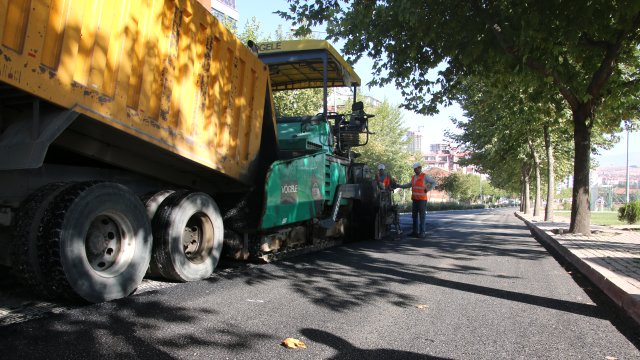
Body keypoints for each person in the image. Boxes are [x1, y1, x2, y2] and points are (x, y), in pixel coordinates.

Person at [398, 162, 437, 238]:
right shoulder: (413, 177)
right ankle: (415, 232)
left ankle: (422, 233)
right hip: (415, 200)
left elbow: (434, 182)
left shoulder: (425, 176)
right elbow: (409, 185)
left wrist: (428, 189)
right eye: (414, 169)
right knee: (414, 216)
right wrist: (400, 186)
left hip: (422, 200)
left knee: (422, 217)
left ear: (420, 168)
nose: (415, 170)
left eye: (416, 169)